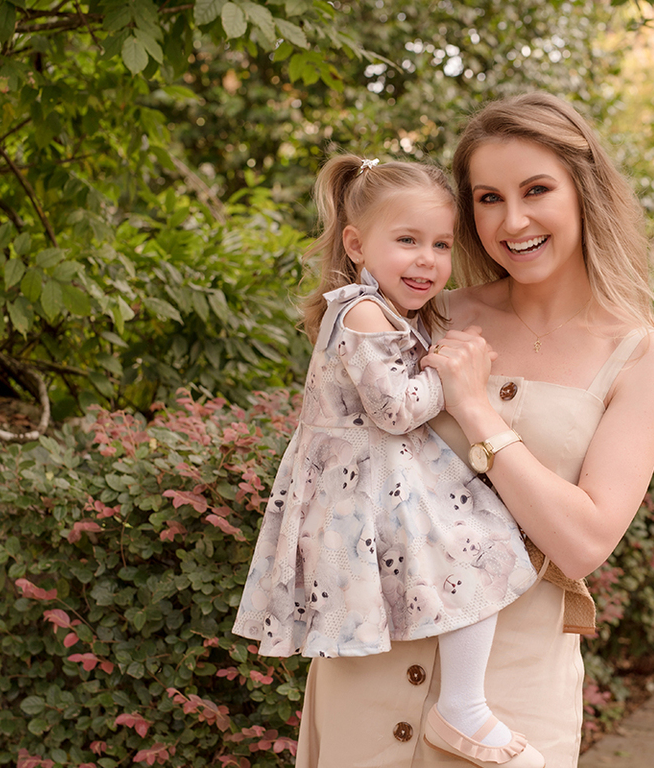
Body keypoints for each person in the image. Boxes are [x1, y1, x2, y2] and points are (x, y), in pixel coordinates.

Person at [293, 92, 654, 768]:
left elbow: (584, 541)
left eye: (537, 190)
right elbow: (336, 446)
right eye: (488, 198)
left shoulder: (644, 356)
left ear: (584, 191)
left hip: (507, 697)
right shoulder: (420, 313)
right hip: (369, 665)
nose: (514, 220)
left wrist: (476, 409)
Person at [232, 155, 546, 767]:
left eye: (440, 244)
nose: (427, 260)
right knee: (478, 547)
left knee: (471, 549)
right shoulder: (363, 310)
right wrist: (460, 378)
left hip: (377, 478)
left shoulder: (381, 310)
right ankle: (462, 707)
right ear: (356, 244)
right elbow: (396, 408)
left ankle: (460, 704)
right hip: (365, 483)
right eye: (407, 241)